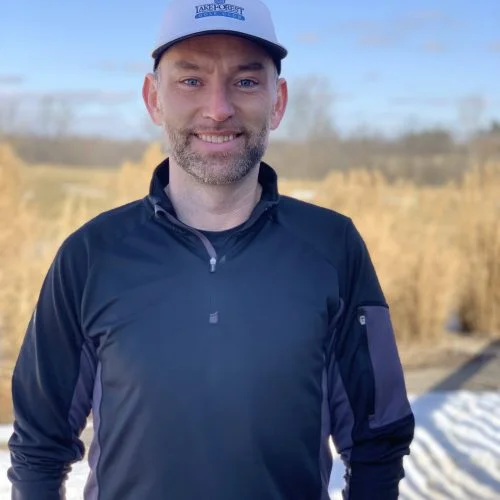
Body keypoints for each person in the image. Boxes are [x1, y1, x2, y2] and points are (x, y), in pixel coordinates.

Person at [7, 0, 415, 498]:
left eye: (245, 81)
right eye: (191, 80)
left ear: (278, 101)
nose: (218, 109)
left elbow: (377, 443)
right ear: (153, 98)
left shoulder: (334, 248)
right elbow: (38, 447)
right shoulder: (90, 256)